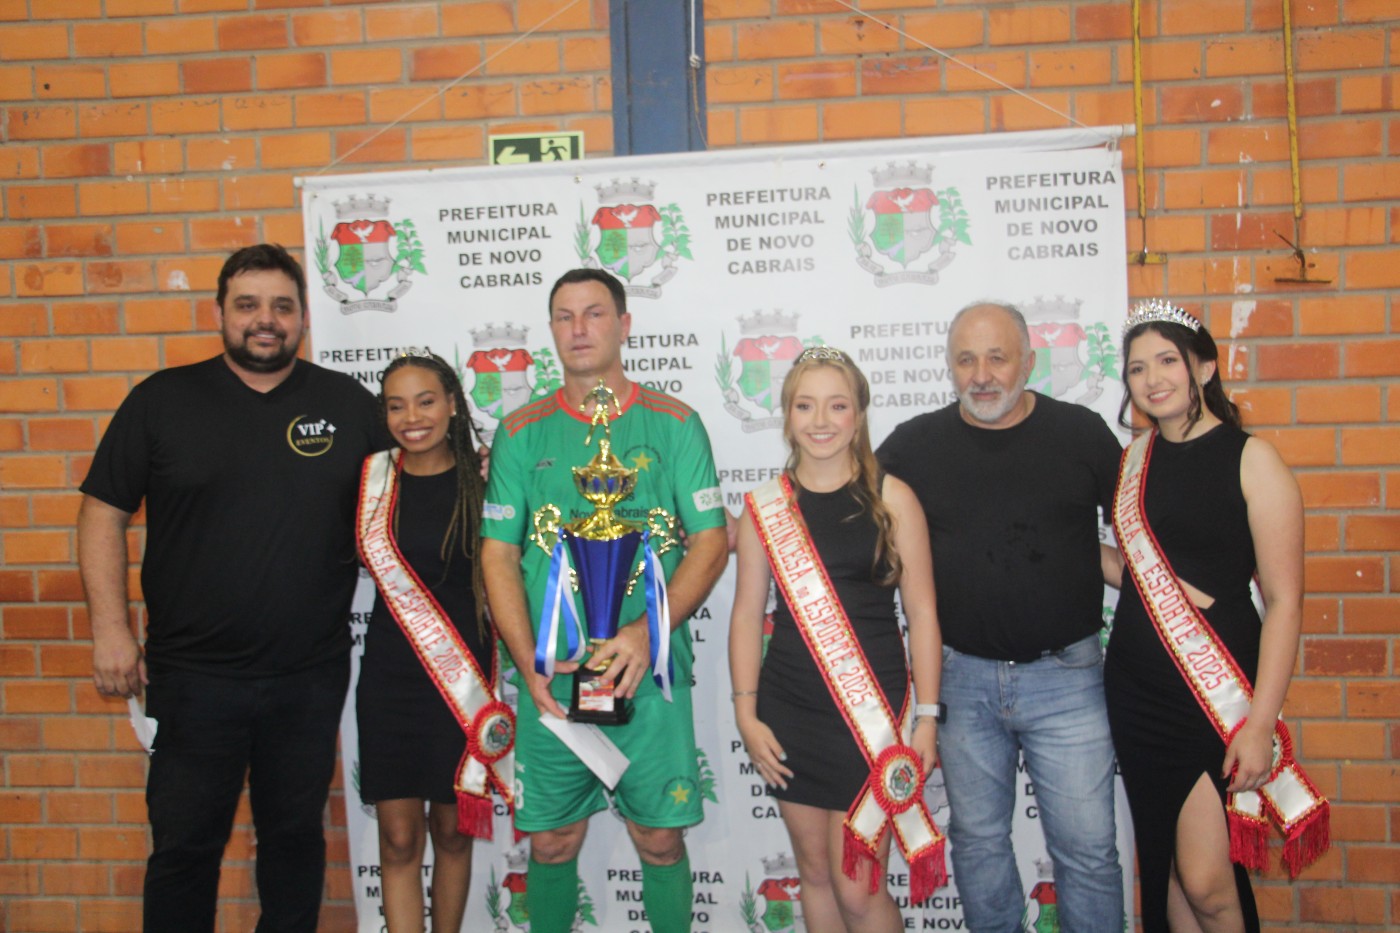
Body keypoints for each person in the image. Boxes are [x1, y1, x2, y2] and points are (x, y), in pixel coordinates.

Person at [77, 243, 383, 932]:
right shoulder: (162, 400)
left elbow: (409, 497)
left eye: (281, 306)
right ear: (220, 312)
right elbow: (101, 513)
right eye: (248, 305)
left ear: (302, 317)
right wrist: (110, 630)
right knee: (184, 848)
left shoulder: (346, 404)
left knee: (294, 841)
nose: (265, 320)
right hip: (193, 679)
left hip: (308, 675)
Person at [480, 268, 728, 933]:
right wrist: (527, 658)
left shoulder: (675, 423)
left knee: (660, 839)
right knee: (552, 842)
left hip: (649, 671)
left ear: (624, 324)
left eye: (594, 313)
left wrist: (647, 630)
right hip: (554, 677)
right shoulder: (519, 430)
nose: (579, 328)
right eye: (564, 316)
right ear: (551, 330)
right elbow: (498, 554)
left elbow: (711, 541)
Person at [876, 301, 1124, 932]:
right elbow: (843, 510)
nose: (981, 375)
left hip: (1068, 680)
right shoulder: (914, 444)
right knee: (979, 843)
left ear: (1029, 362)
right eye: (966, 360)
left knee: (1088, 852)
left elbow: (1142, 532)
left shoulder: (1082, 434)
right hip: (959, 683)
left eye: (996, 357)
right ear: (949, 367)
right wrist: (749, 526)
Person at [1105, 300, 1329, 933]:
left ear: (1204, 367)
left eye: (1167, 361)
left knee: (1208, 881)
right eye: (1138, 368)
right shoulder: (1134, 461)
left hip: (1213, 692)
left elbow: (1285, 602)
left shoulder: (1252, 458)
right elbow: (1142, 577)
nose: (1152, 379)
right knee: (1168, 871)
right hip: (1136, 689)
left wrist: (1259, 724)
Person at [729, 347, 947, 932]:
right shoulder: (765, 508)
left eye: (837, 405)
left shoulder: (893, 498)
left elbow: (923, 613)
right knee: (816, 874)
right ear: (787, 415)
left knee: (858, 887)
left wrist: (928, 718)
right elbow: (747, 615)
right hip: (790, 710)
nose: (820, 420)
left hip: (871, 713)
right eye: (805, 406)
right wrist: (746, 713)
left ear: (860, 414)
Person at [355, 352, 513, 933]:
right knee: (398, 838)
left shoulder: (487, 479)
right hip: (390, 679)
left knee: (451, 832)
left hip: (461, 681)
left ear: (452, 403)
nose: (412, 418)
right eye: (396, 406)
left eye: (425, 401)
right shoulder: (371, 480)